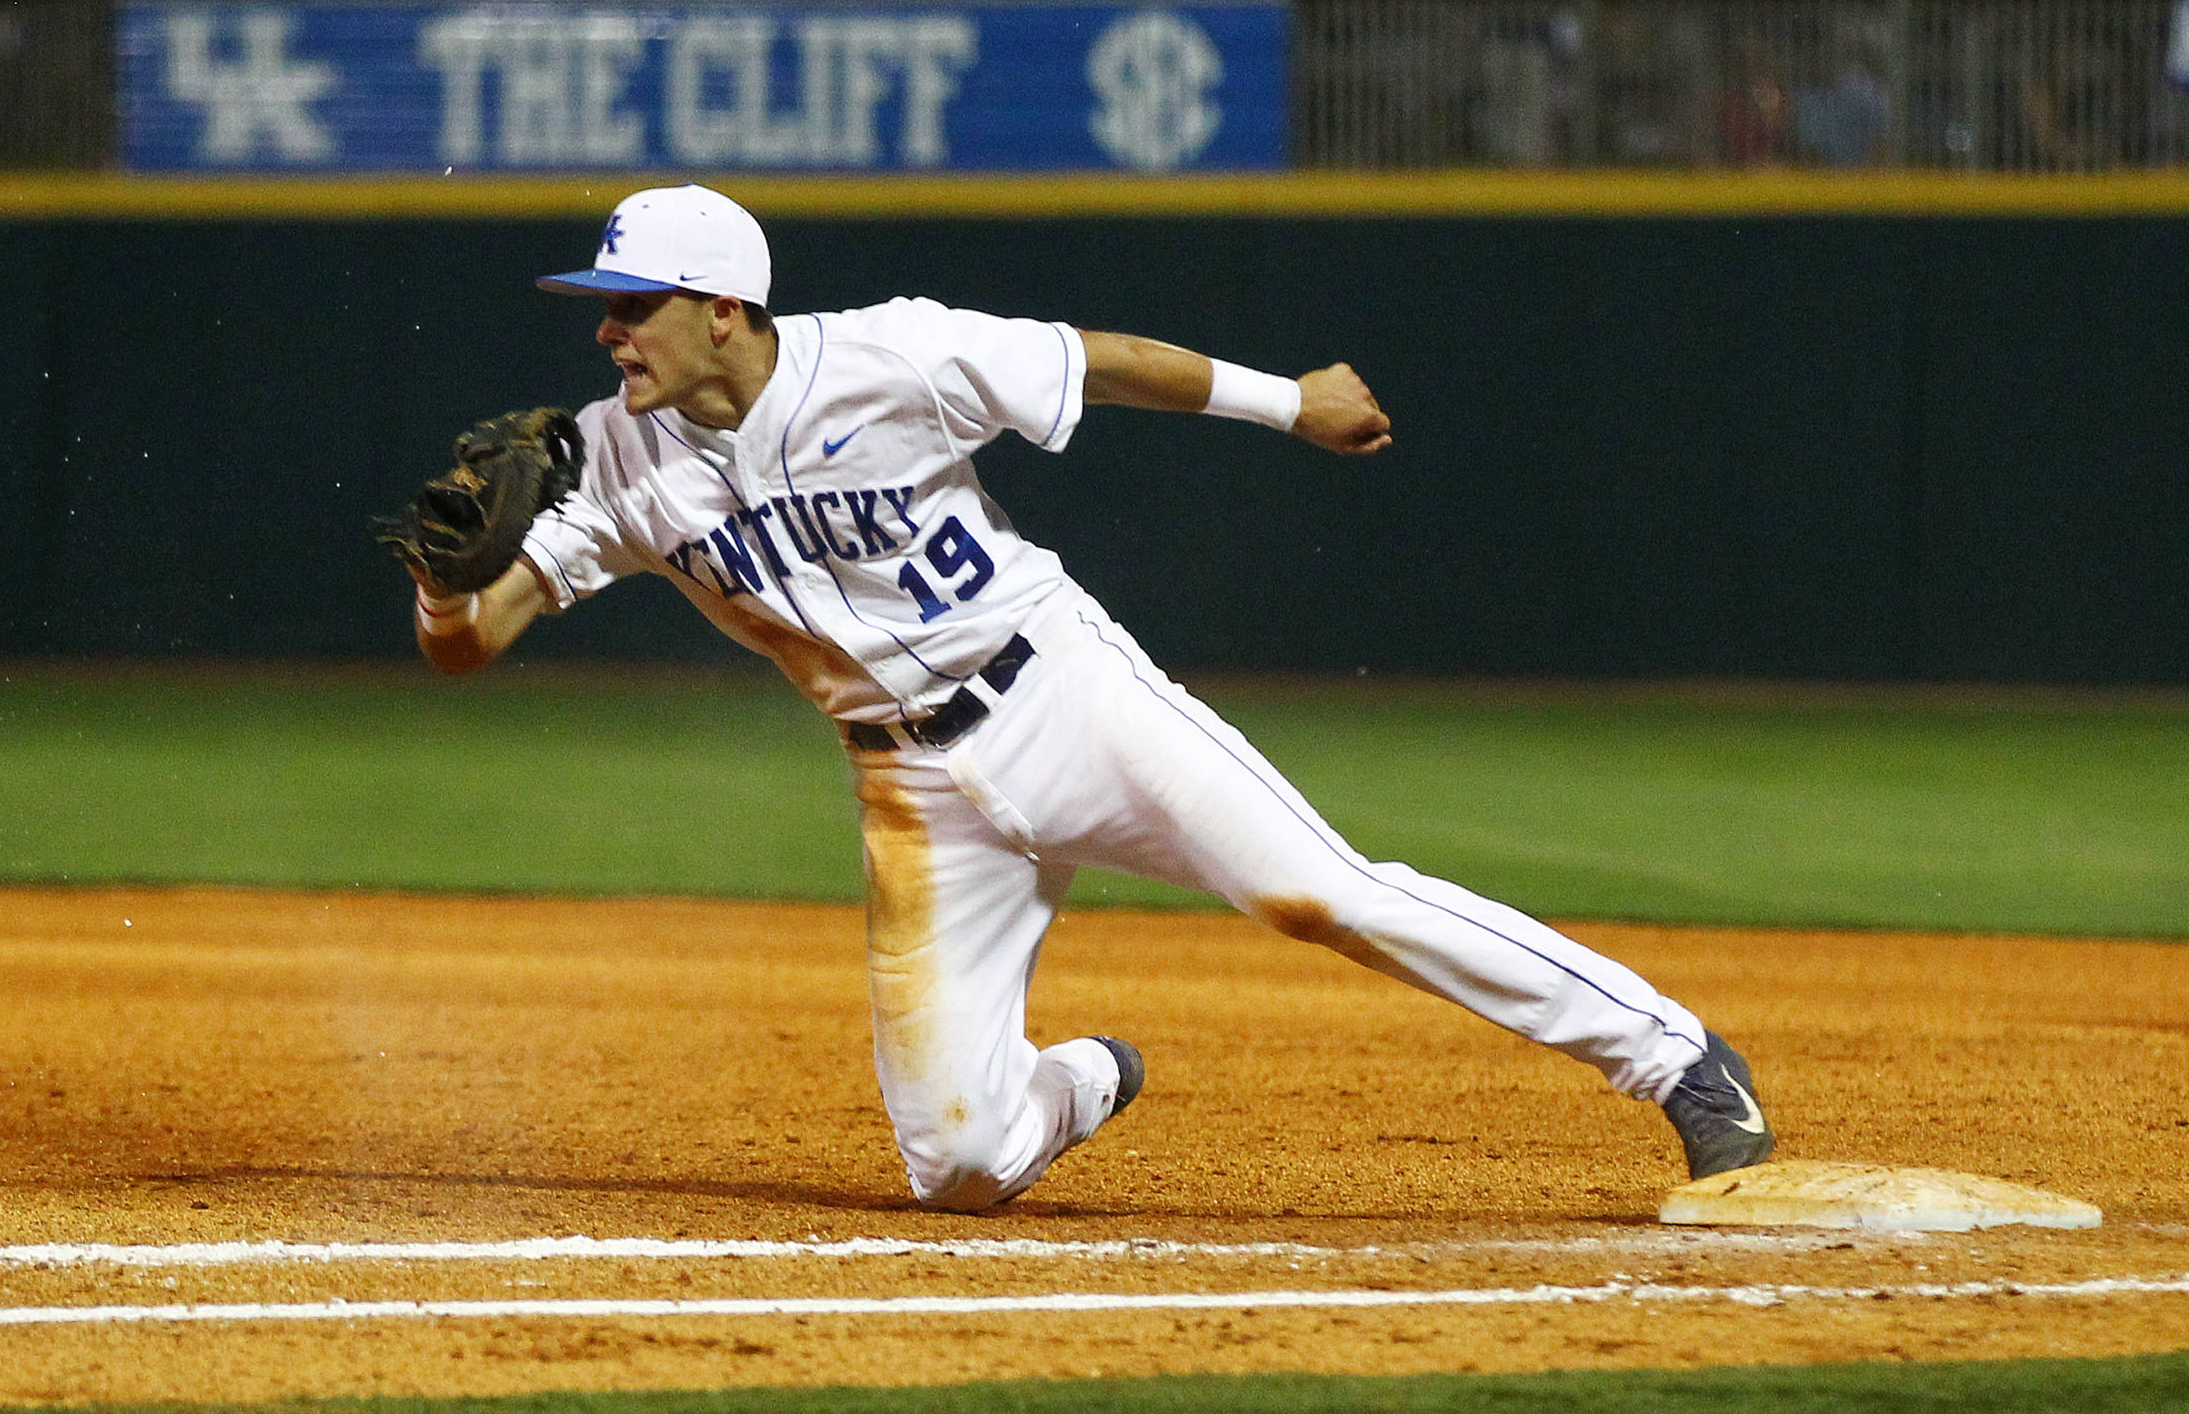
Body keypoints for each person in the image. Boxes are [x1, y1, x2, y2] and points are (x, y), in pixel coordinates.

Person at [393, 183, 1780, 1212]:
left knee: (1324, 894)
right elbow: (473, 643)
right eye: (603, 308)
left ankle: (1675, 1059)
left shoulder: (889, 356)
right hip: (911, 788)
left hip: (1061, 691)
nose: (609, 333)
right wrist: (454, 585)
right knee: (958, 1170)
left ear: (723, 309)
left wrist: (1289, 403)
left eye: (631, 306)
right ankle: (1088, 1082)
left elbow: (1093, 360)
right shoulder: (607, 456)